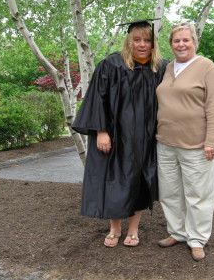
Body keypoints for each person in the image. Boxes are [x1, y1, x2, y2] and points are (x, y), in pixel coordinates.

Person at [72, 19, 168, 248]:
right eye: (137, 40)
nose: (142, 44)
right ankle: (115, 228)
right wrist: (101, 131)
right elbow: (98, 99)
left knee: (139, 182)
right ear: (129, 41)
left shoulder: (161, 68)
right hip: (116, 137)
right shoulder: (111, 65)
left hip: (146, 139)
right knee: (114, 181)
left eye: (147, 40)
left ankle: (133, 230)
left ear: (154, 43)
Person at [155, 22, 214, 261]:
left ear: (195, 42)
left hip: (197, 145)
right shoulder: (168, 68)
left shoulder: (206, 67)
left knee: (198, 194)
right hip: (165, 143)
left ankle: (197, 239)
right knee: (170, 193)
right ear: (171, 44)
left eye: (186, 40)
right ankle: (178, 232)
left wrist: (211, 142)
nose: (181, 44)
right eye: (176, 41)